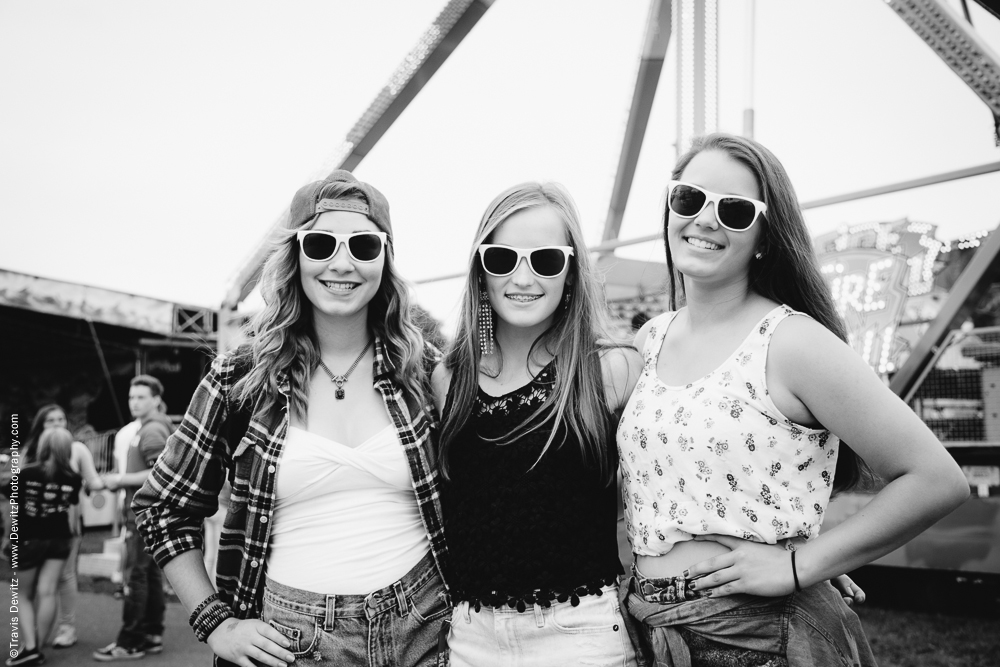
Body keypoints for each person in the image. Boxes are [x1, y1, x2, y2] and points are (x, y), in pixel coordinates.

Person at [618, 133, 970, 665]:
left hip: (760, 639)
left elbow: (936, 479)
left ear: (764, 236)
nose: (706, 220)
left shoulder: (791, 342)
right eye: (689, 198)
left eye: (734, 210)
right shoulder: (651, 338)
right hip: (651, 628)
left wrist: (802, 565)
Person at [132, 170, 450, 667]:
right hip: (294, 641)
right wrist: (215, 623)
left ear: (385, 260)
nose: (342, 263)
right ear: (295, 255)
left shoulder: (423, 368)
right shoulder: (242, 375)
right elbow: (164, 508)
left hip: (426, 626)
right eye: (321, 244)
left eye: (364, 246)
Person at [433, 182, 644, 667]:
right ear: (480, 270)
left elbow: (670, 489)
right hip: (470, 638)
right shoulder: (449, 378)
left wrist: (792, 559)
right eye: (503, 259)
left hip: (582, 636)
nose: (523, 277)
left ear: (570, 272)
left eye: (545, 260)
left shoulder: (611, 370)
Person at [94, 375, 173, 661]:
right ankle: (151, 634)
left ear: (156, 399)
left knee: (136, 575)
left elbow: (160, 474)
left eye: (141, 397)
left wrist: (119, 479)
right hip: (148, 514)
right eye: (131, 397)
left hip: (142, 515)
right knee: (149, 573)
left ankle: (131, 641)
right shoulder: (152, 426)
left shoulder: (152, 430)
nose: (134, 402)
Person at [18, 405, 105, 650]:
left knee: (64, 578)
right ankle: (35, 635)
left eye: (61, 419)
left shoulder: (76, 449)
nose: (57, 424)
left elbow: (93, 480)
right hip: (32, 529)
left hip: (66, 525)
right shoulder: (30, 451)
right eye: (50, 420)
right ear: (40, 425)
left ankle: (65, 628)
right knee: (39, 585)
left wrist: (112, 482)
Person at [2, 428, 87, 666]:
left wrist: (7, 538)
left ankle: (29, 648)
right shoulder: (73, 478)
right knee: (48, 592)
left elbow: (12, 510)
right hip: (59, 539)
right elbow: (71, 510)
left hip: (29, 539)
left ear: (43, 446)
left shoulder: (26, 474)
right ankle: (36, 648)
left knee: (23, 594)